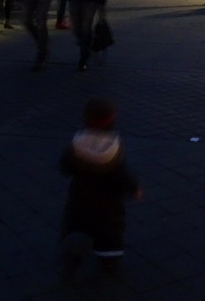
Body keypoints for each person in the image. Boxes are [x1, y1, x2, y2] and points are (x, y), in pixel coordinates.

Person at [59, 98, 142, 281]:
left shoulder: (77, 144)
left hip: (80, 197)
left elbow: (65, 166)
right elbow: (120, 175)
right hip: (109, 201)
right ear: (112, 120)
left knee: (78, 223)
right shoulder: (113, 147)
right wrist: (133, 188)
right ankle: (108, 258)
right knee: (110, 230)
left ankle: (74, 251)